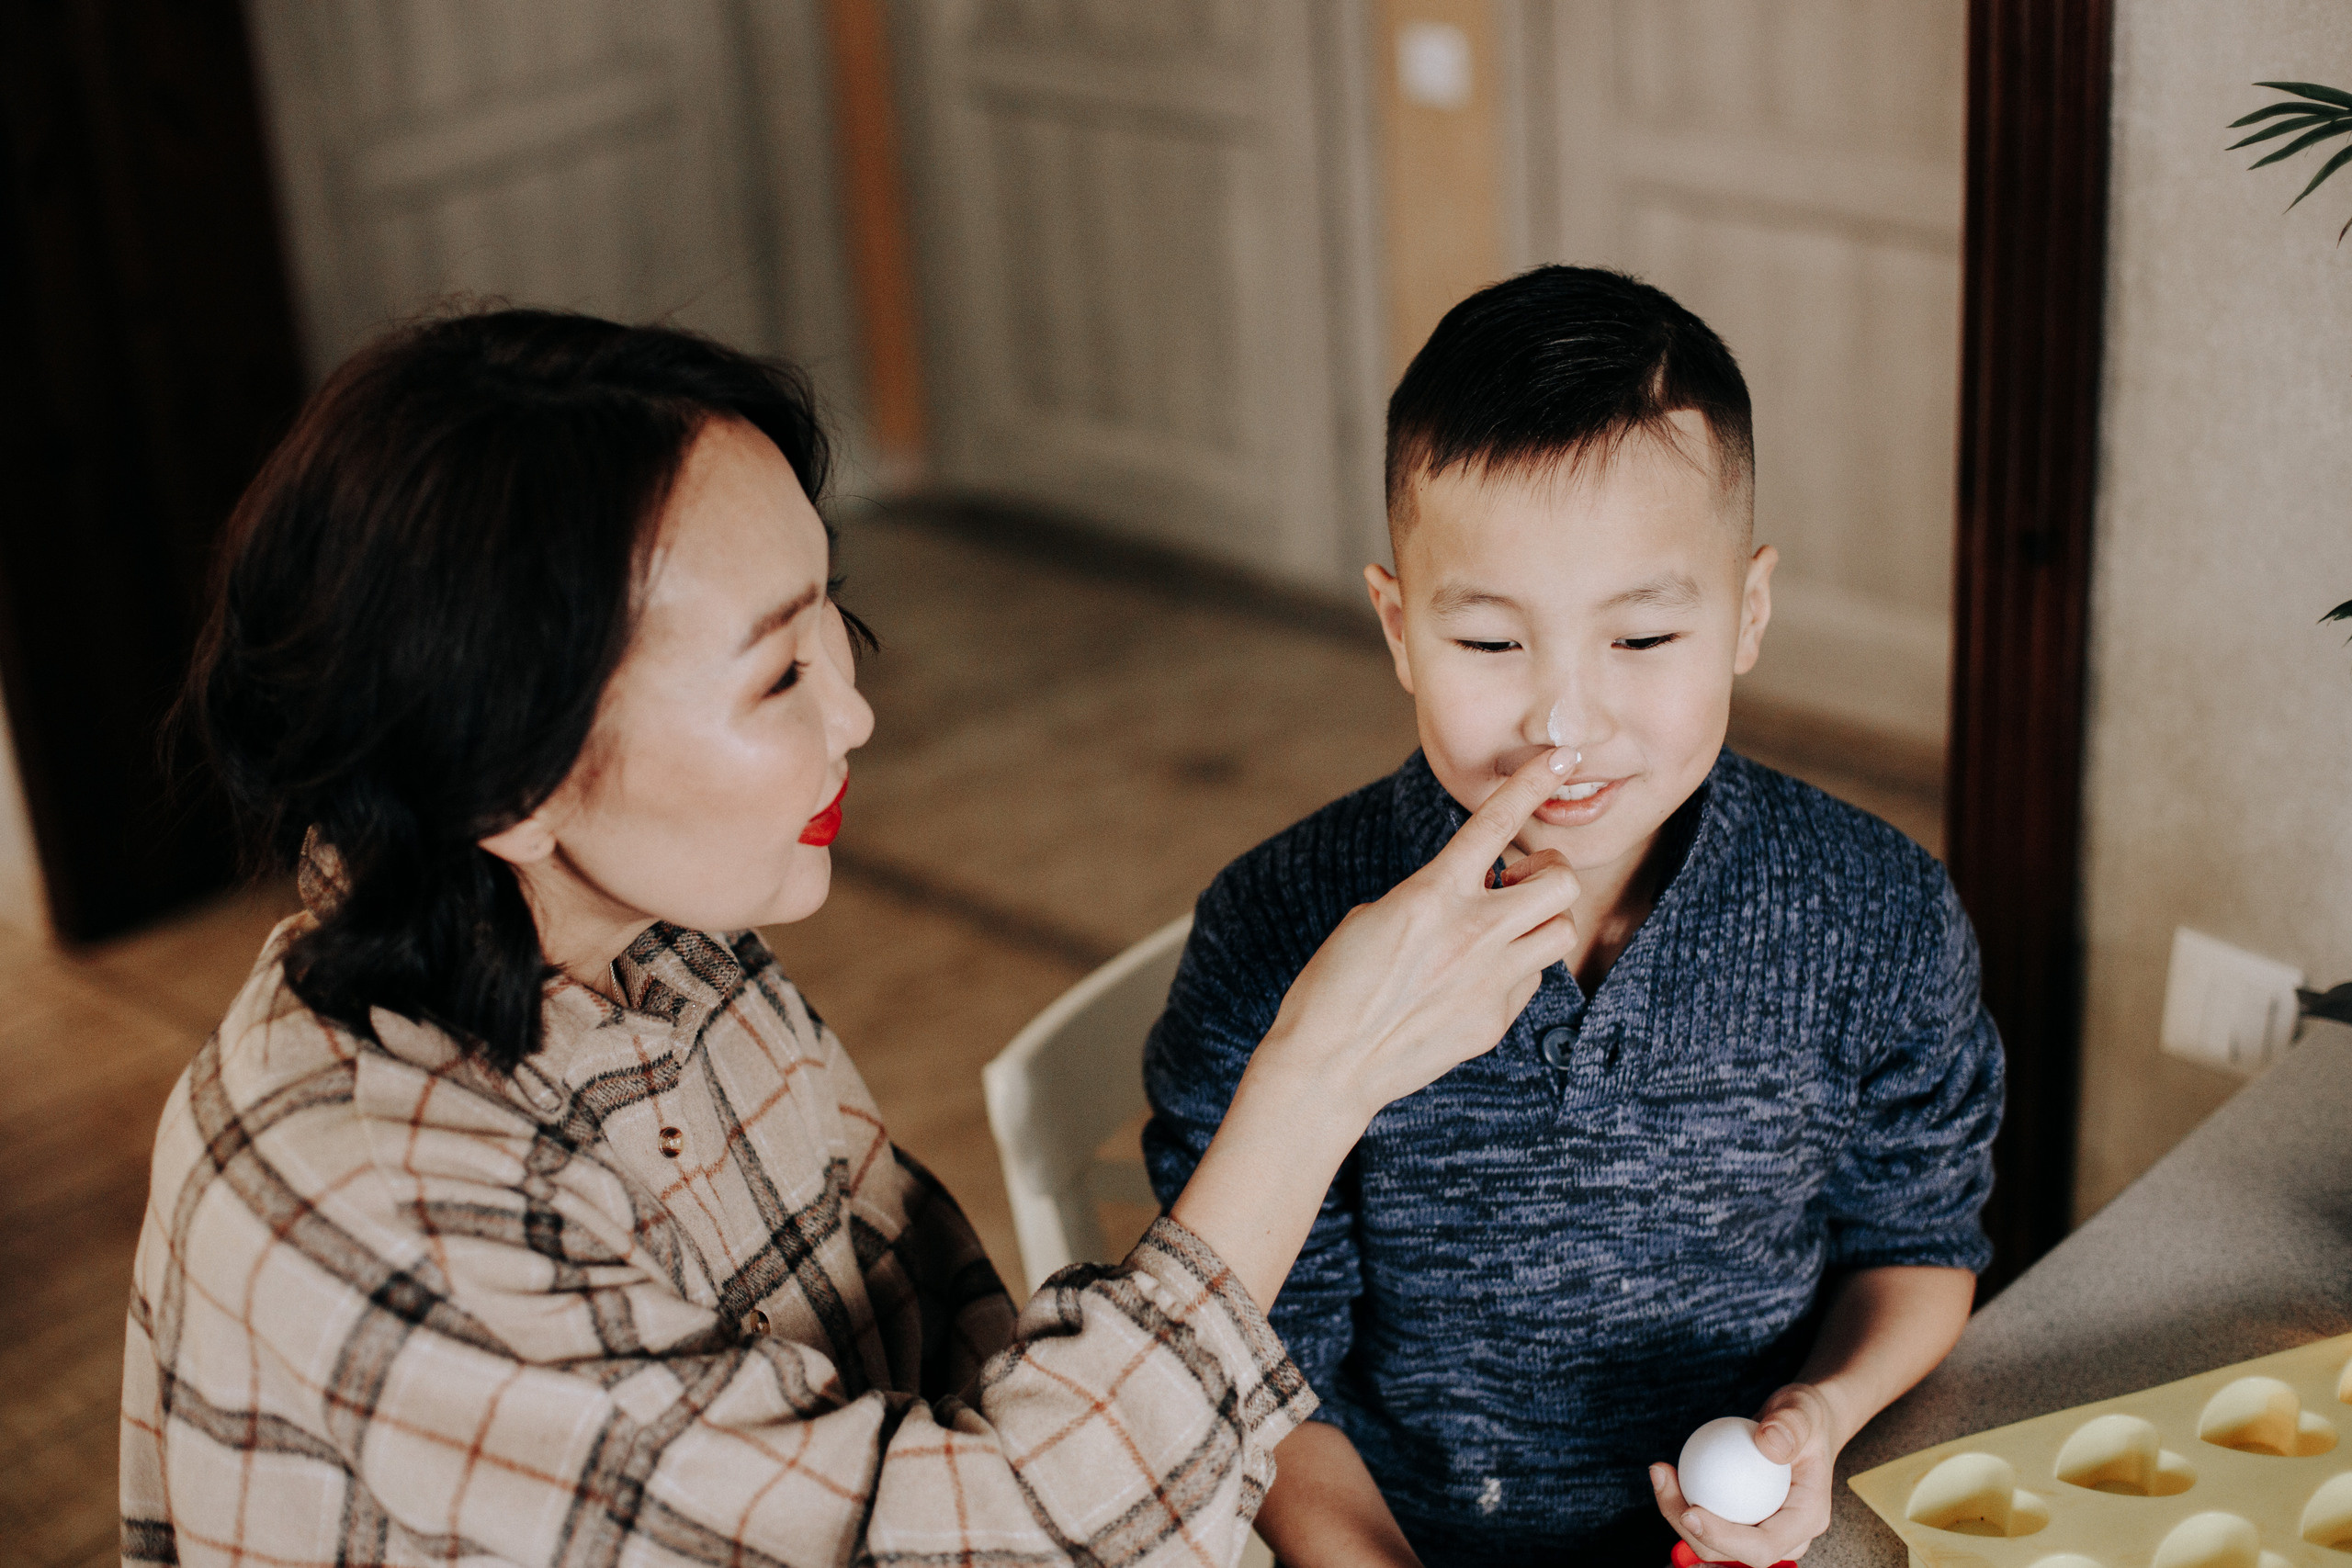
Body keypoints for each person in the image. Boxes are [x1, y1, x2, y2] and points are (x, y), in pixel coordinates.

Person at [119, 309, 1591, 1567]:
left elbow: (941, 1351)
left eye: (836, 615)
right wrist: (1315, 1085)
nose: (857, 714)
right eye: (776, 677)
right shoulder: (369, 1202)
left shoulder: (670, 946)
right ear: (507, 777)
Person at [1142, 265, 2004, 1568]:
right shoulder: (1280, 929)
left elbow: (1919, 1241)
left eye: (1644, 641)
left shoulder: (1874, 913)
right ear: (1396, 628)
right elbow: (1255, 1354)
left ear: (1746, 614)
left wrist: (1819, 1417)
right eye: (1491, 645)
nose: (1565, 723)